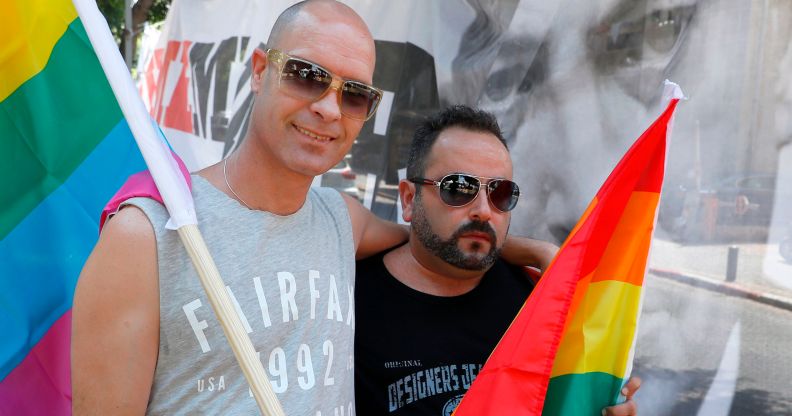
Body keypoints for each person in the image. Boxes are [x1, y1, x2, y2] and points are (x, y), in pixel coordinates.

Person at [72, 1, 553, 414]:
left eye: (355, 94)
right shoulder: (146, 236)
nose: (328, 108)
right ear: (260, 70)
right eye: (307, 76)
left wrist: (532, 252)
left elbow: (434, 235)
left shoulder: (340, 220)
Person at [354, 105, 640, 415]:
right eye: (459, 188)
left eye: (500, 193)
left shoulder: (535, 298)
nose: (484, 210)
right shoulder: (347, 298)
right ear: (410, 199)